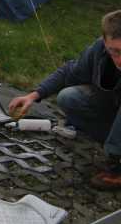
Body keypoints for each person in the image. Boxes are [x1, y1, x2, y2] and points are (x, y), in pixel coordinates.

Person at [9, 10, 121, 190]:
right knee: (69, 97)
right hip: (113, 111)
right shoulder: (98, 50)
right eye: (113, 51)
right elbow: (70, 71)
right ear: (105, 41)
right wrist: (33, 95)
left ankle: (117, 166)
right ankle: (111, 142)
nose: (119, 59)